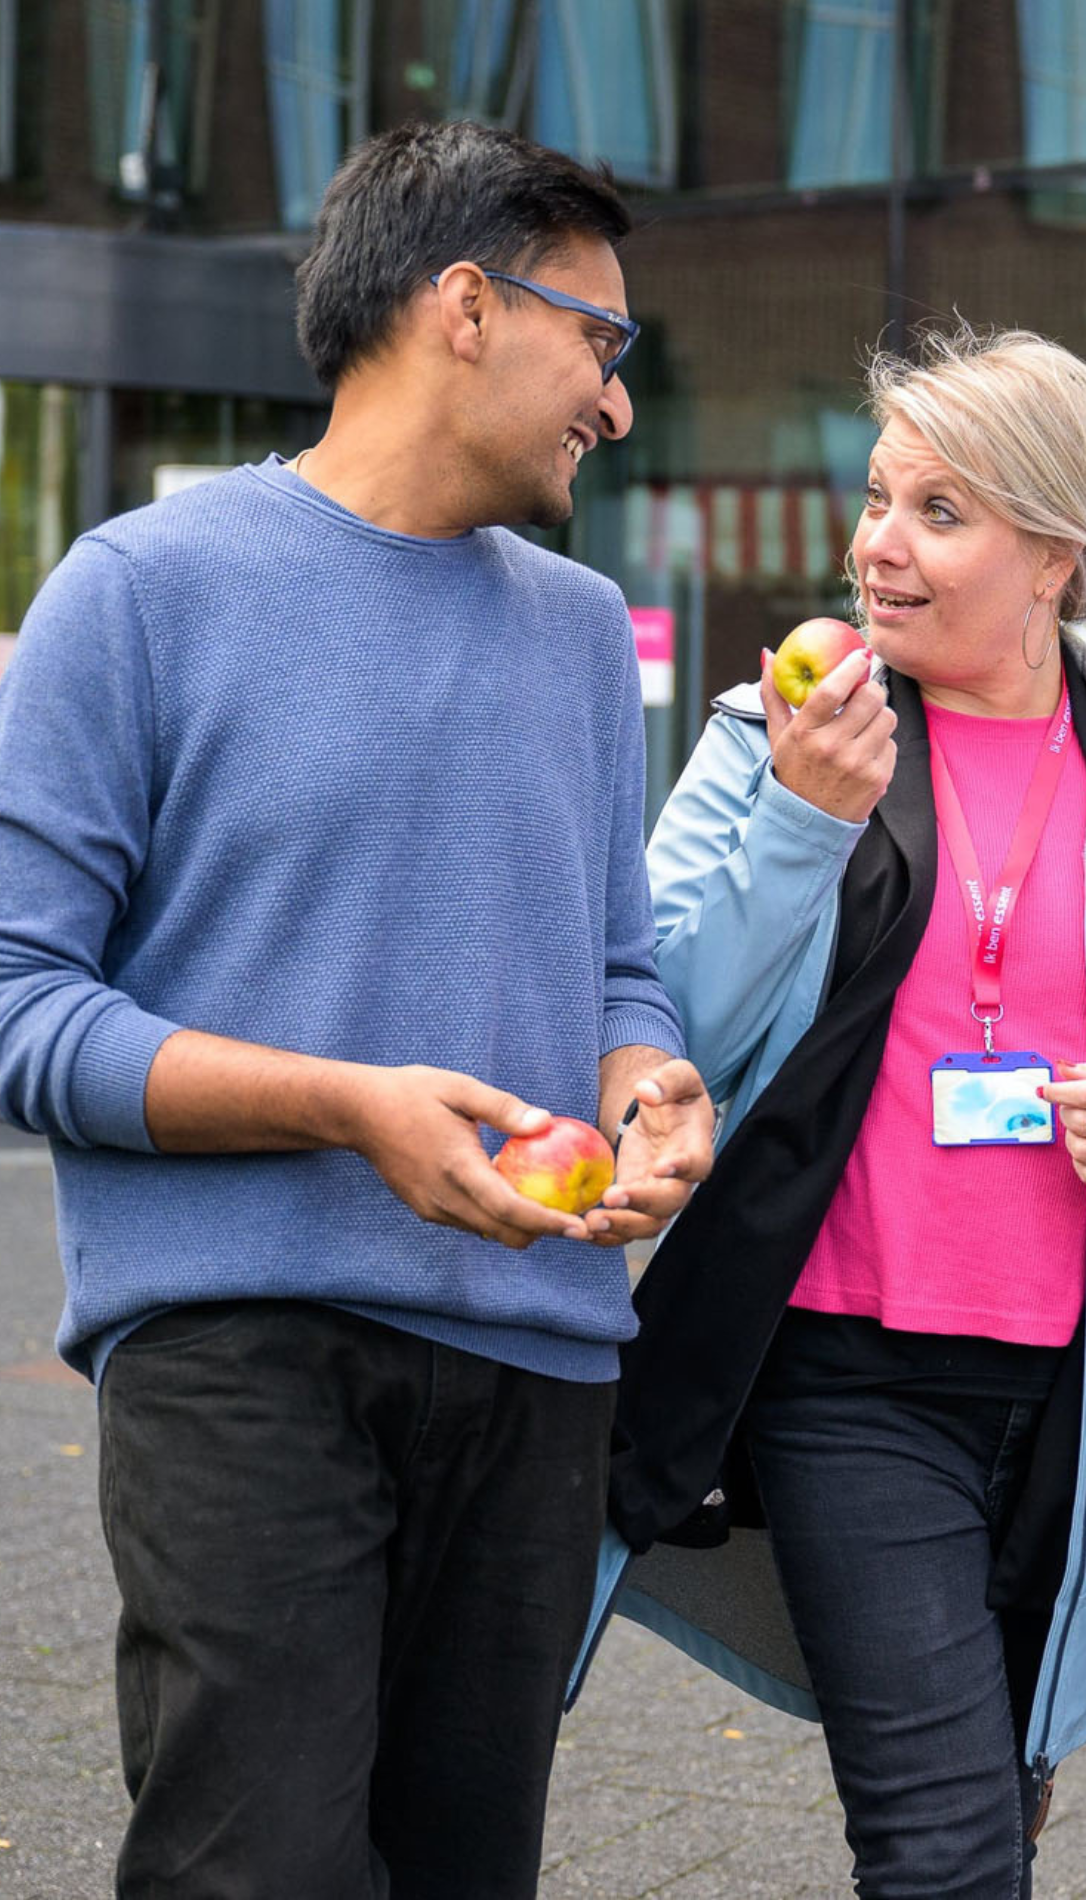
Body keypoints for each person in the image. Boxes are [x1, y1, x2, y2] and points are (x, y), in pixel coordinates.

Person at [0, 121, 714, 1899]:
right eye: (599, 344)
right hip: (245, 1357)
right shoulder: (139, 596)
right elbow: (18, 1004)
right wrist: (346, 1102)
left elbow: (613, 962)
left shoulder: (575, 632)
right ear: (466, 306)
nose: (615, 404)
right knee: (258, 1869)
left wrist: (651, 1082)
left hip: (540, 1361)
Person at [579, 326, 1086, 1899]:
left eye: (940, 511)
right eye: (876, 498)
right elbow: (658, 1027)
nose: (878, 546)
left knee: (992, 1799)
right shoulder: (767, 740)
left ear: (1057, 556)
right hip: (846, 1378)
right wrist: (803, 821)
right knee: (941, 1845)